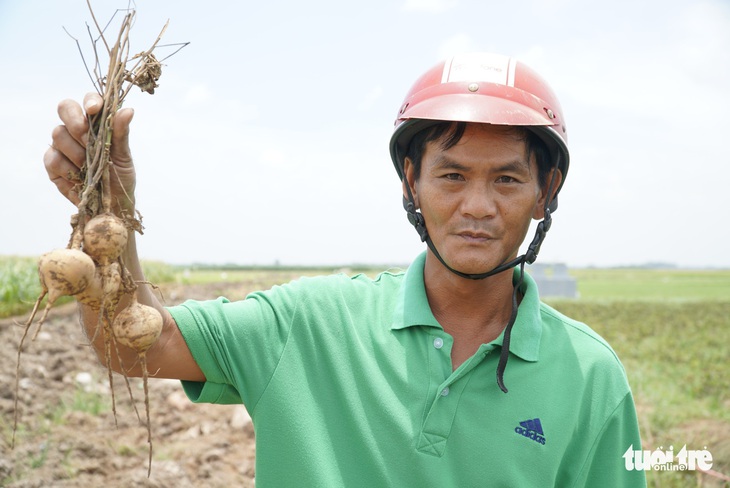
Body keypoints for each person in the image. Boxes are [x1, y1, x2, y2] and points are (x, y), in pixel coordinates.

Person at [44, 52, 646, 487]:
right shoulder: (311, 324)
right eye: (452, 175)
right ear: (412, 181)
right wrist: (110, 212)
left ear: (547, 192)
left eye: (508, 180)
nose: (477, 207)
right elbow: (138, 344)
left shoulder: (590, 377)